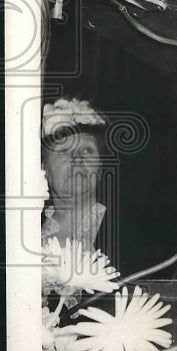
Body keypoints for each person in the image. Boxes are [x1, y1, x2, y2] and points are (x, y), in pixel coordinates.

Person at [41, 98, 108, 249]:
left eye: (87, 150)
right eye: (64, 151)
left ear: (100, 167)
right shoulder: (23, 236)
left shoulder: (133, 230)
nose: (77, 159)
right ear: (44, 168)